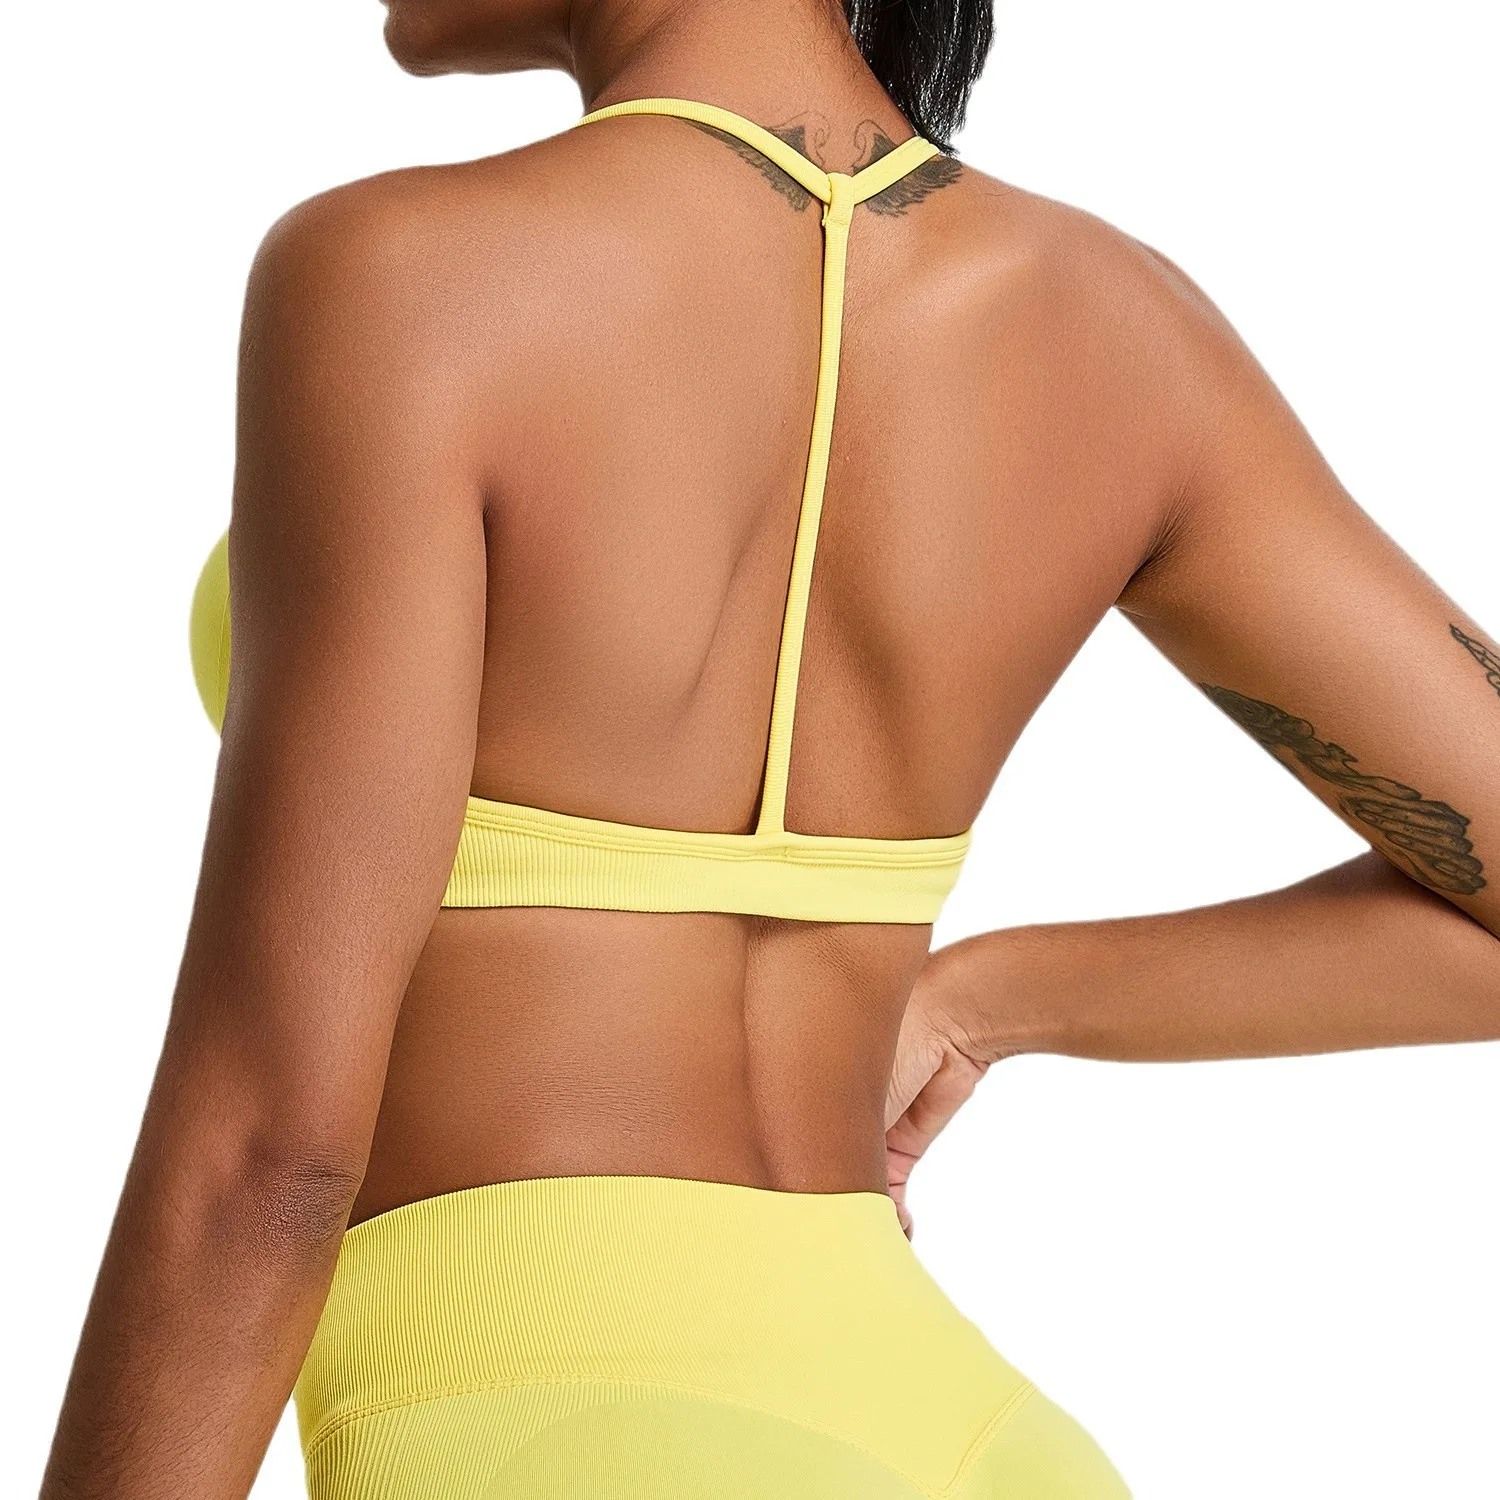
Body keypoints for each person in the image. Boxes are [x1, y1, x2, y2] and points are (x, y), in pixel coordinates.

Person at [40, 0, 1500, 1495]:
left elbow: (265, 1164)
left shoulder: (404, 275)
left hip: (559, 1419)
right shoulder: (1124, 328)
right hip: (968, 1437)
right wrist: (987, 996)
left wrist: (987, 999)